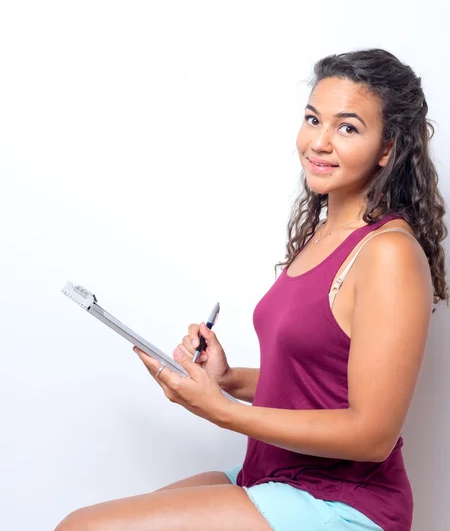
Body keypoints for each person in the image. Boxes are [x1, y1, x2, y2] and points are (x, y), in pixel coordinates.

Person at [55, 48, 448, 531]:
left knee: (83, 529)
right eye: (312, 119)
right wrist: (226, 379)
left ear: (387, 148)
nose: (319, 142)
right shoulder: (322, 234)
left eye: (347, 128)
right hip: (274, 476)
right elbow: (317, 388)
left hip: (343, 503)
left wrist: (222, 413)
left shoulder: (388, 252)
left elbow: (371, 435)